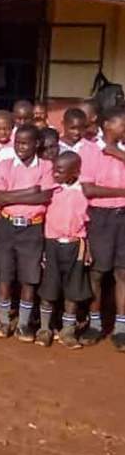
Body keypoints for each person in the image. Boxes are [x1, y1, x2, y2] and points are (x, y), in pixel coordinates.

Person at [0, 125, 54, 340]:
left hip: (32, 227)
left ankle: (24, 323)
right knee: (6, 276)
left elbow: (45, 197)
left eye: (25, 143)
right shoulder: (5, 165)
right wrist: (31, 191)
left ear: (36, 144)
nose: (20, 147)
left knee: (29, 277)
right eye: (17, 142)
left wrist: (12, 195)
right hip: (8, 226)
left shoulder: (45, 167)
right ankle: (4, 320)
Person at [79, 106, 125, 350]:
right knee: (96, 272)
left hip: (123, 216)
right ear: (108, 124)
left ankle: (121, 327)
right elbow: (89, 189)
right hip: (100, 217)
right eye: (123, 124)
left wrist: (116, 152)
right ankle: (95, 323)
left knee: (123, 273)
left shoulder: (118, 149)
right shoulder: (90, 150)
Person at [38, 152, 91, 349]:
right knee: (49, 288)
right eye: (54, 169)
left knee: (73, 290)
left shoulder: (83, 192)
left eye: (60, 171)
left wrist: (88, 249)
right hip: (52, 244)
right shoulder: (51, 190)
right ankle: (44, 329)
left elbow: (89, 222)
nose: (55, 173)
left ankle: (67, 331)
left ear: (75, 172)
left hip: (75, 245)